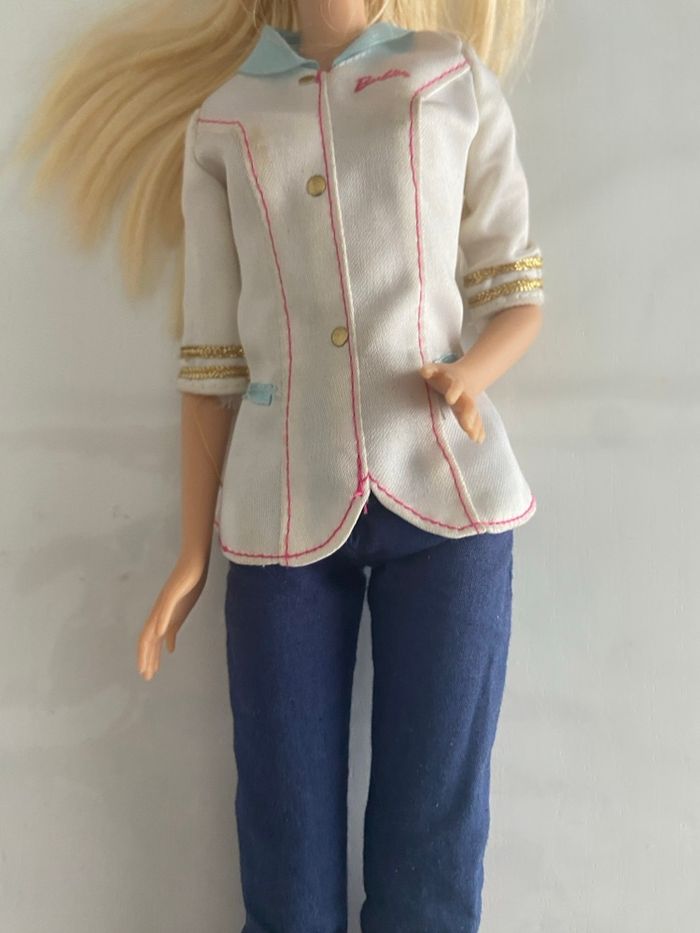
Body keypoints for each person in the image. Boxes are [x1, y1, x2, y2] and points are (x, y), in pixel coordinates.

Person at [16, 1, 547, 929]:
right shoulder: (226, 119)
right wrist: (191, 554)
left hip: (448, 492)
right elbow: (210, 362)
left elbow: (516, 292)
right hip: (280, 507)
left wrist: (469, 375)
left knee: (432, 853)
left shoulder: (448, 77)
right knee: (284, 855)